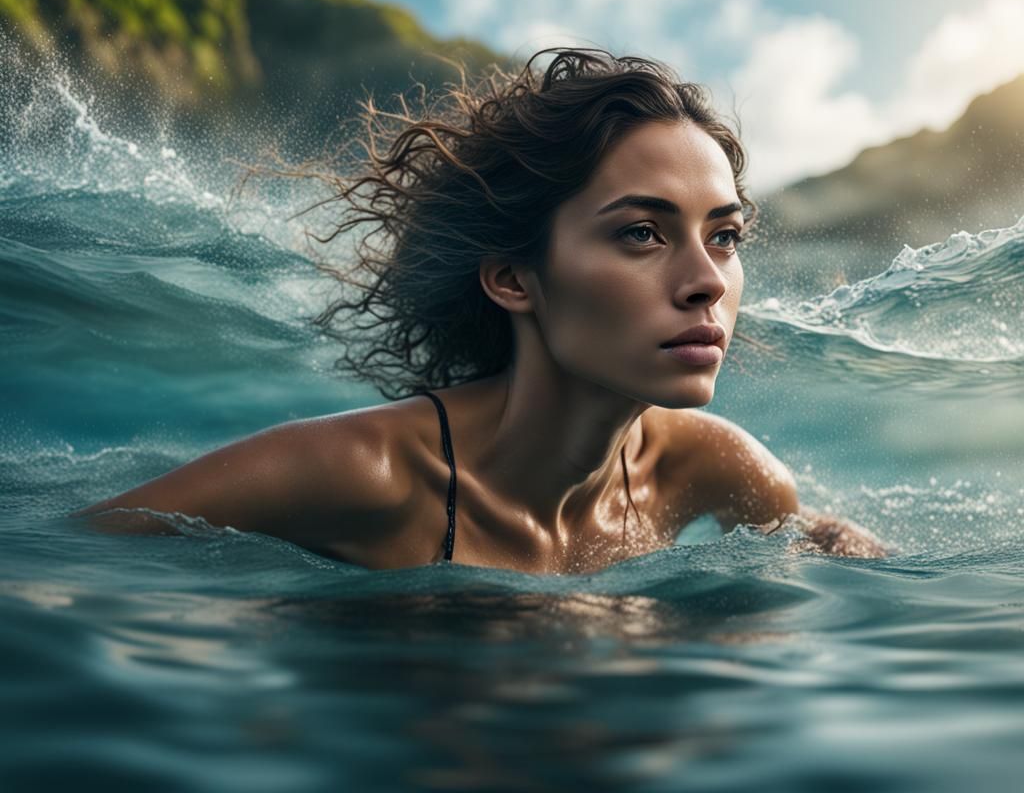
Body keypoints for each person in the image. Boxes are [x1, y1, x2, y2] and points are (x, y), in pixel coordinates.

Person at [71, 49, 891, 571]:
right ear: (512, 278)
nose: (707, 279)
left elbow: (812, 534)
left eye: (725, 236)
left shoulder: (712, 467)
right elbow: (74, 549)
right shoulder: (372, 476)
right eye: (642, 232)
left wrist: (833, 537)